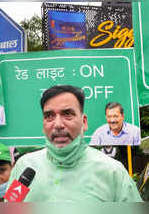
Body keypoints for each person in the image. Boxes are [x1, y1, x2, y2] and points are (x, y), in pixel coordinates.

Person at [8, 85, 142, 202]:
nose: (58, 125)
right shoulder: (24, 167)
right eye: (49, 116)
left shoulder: (113, 172)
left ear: (84, 122)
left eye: (68, 114)